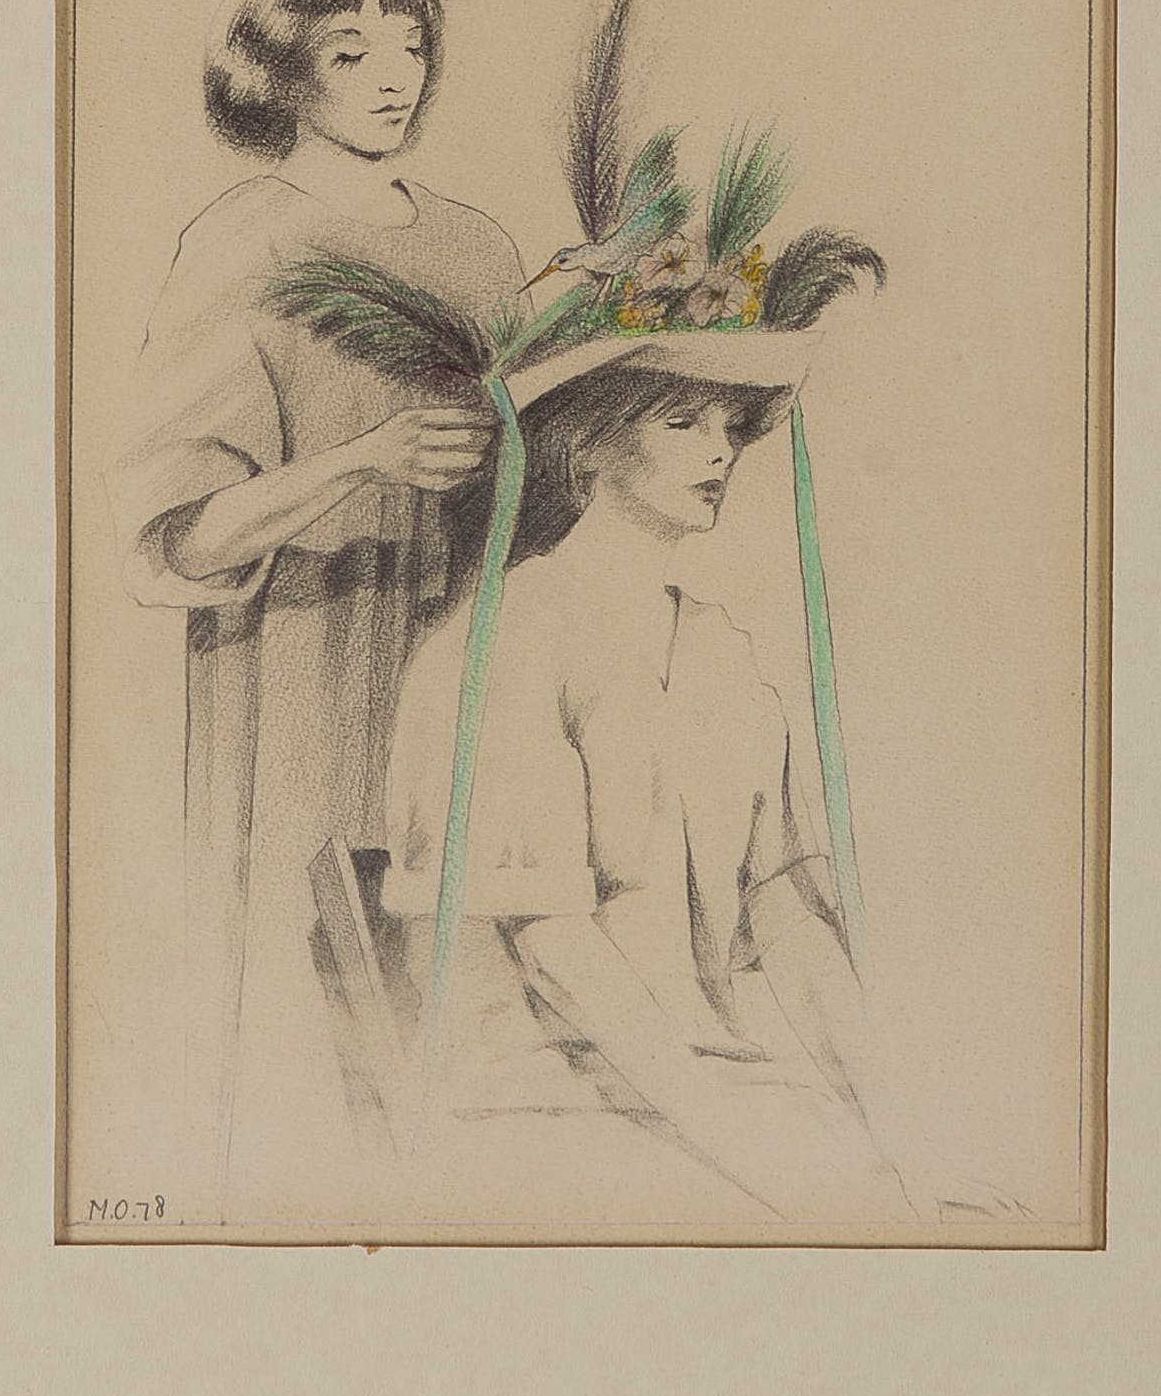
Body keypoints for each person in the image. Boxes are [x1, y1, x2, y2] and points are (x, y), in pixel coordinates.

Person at [107, 0, 526, 1214]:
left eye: (411, 43)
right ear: (283, 71)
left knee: (450, 1027)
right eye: (350, 51)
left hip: (452, 683)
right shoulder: (243, 244)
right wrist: (363, 462)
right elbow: (174, 535)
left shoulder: (480, 251)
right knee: (297, 1022)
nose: (394, 75)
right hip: (293, 680)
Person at [378, 332, 912, 1234]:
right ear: (588, 443)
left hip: (721, 1086)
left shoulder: (720, 648)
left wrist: (898, 1137)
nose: (721, 451)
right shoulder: (507, 639)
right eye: (683, 422)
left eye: (732, 427)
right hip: (545, 1099)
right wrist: (768, 1159)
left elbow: (782, 911)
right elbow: (553, 948)